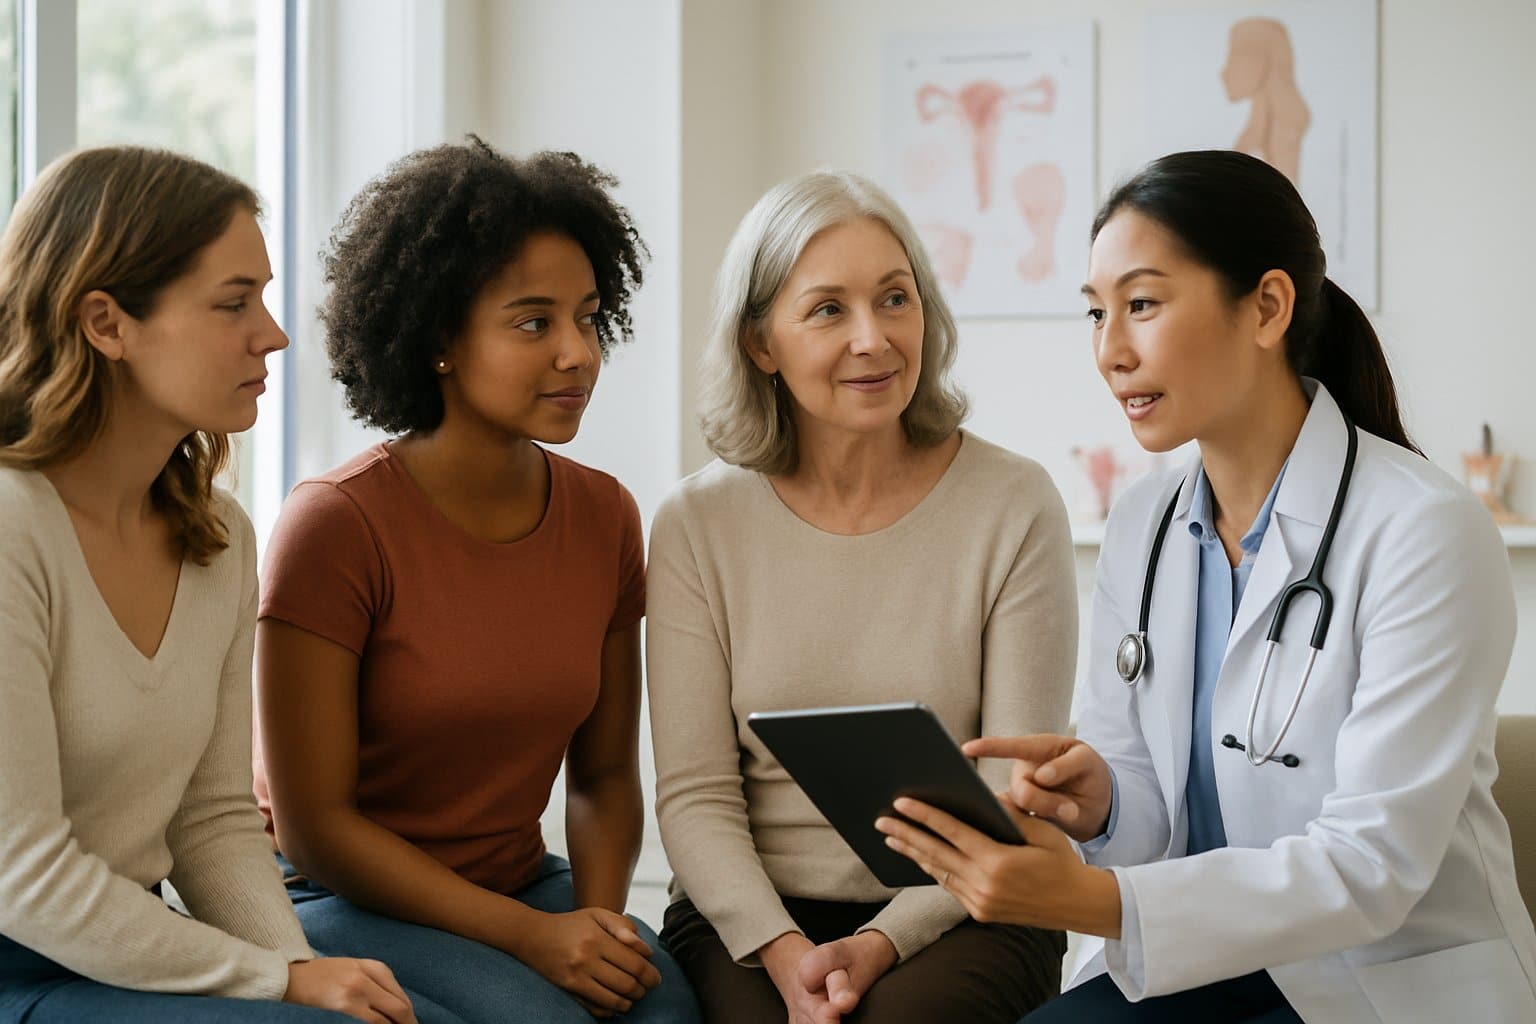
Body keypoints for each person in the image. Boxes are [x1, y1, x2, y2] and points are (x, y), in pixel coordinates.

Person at [876, 150, 1536, 1022]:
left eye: (1142, 305)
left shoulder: (1424, 530)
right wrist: (1105, 802)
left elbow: (1369, 869)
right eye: (1096, 314)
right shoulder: (1145, 524)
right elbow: (1151, 806)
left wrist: (1080, 903)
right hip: (1201, 970)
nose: (1111, 352)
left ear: (1267, 307)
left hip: (1379, 979)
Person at [254, 138, 700, 1024]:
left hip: (518, 883)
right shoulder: (336, 524)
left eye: (588, 316)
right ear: (438, 340)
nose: (578, 353)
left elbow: (604, 776)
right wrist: (531, 940)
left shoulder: (606, 515)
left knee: (666, 1012)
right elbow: (313, 829)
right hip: (335, 898)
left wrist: (599, 922)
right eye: (534, 323)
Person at [0, 146, 418, 1022]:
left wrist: (305, 977)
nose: (272, 332)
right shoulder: (11, 525)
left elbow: (214, 819)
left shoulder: (219, 538)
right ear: (106, 323)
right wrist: (278, 984)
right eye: (234, 303)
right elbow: (21, 873)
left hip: (126, 955)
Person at [647, 170, 1075, 1024]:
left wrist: (877, 944)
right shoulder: (697, 522)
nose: (874, 339)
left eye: (894, 299)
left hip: (966, 904)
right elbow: (696, 794)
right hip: (751, 915)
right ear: (761, 343)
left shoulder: (1014, 504)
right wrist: (784, 953)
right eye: (828, 310)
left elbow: (1009, 789)